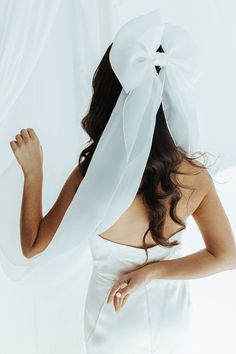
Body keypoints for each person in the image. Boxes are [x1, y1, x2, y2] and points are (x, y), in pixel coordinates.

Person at [9, 10, 236, 354]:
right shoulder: (193, 175)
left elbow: (33, 245)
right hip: (173, 315)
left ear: (109, 96)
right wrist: (152, 273)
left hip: (113, 315)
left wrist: (33, 173)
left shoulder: (96, 174)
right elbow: (226, 255)